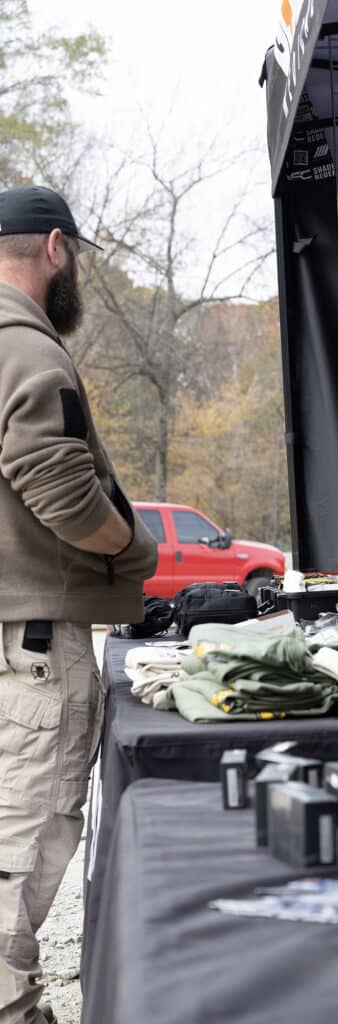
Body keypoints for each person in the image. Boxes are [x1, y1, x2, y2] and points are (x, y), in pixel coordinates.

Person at [0, 185, 158, 1024]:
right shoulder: (24, 344)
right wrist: (132, 549)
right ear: (55, 247)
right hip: (30, 650)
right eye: (77, 261)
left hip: (10, 643)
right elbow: (57, 485)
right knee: (13, 880)